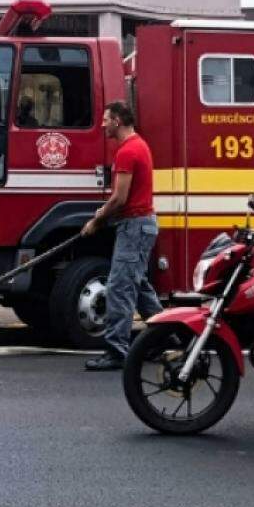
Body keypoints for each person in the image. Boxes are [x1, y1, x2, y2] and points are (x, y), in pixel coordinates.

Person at [81, 101, 163, 371]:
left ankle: (117, 351)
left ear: (117, 120)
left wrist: (97, 220)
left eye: (105, 119)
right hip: (141, 225)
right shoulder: (139, 145)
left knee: (120, 288)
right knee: (137, 286)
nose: (102, 124)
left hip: (134, 226)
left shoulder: (127, 151)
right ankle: (166, 337)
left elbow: (119, 198)